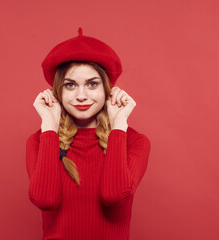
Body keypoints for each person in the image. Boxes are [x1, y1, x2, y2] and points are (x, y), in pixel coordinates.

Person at [26, 27, 151, 240]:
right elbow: (45, 200)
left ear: (107, 89)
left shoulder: (134, 141)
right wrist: (49, 124)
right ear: (58, 91)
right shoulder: (40, 141)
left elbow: (114, 196)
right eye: (70, 85)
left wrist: (119, 124)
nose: (81, 96)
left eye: (92, 84)